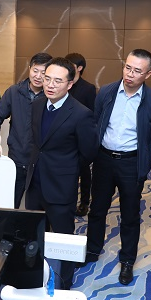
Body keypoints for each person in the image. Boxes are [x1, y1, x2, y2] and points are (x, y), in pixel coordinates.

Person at [81, 49, 151, 286]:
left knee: (130, 214)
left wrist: (142, 147)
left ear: (147, 74)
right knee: (97, 208)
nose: (130, 74)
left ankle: (127, 260)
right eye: (127, 67)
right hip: (104, 159)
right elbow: (97, 121)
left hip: (131, 162)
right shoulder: (106, 92)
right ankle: (92, 249)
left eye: (137, 71)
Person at [25, 57, 99, 289]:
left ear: (70, 84)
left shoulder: (81, 113)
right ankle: (33, 280)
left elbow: (88, 152)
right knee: (33, 236)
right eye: (47, 79)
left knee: (63, 240)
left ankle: (64, 285)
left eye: (58, 81)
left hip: (60, 187)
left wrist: (66, 168)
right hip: (35, 184)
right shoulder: (37, 105)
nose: (50, 84)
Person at [0, 52, 52, 208]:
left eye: (43, 73)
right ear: (29, 68)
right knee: (11, 204)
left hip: (41, 162)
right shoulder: (14, 92)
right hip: (17, 158)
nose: (38, 76)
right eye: (35, 70)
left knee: (38, 208)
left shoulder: (51, 96)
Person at [64, 52, 97, 217]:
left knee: (84, 171)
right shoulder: (63, 84)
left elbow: (92, 113)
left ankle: (84, 202)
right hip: (64, 135)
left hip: (81, 136)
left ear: (80, 68)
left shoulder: (88, 88)